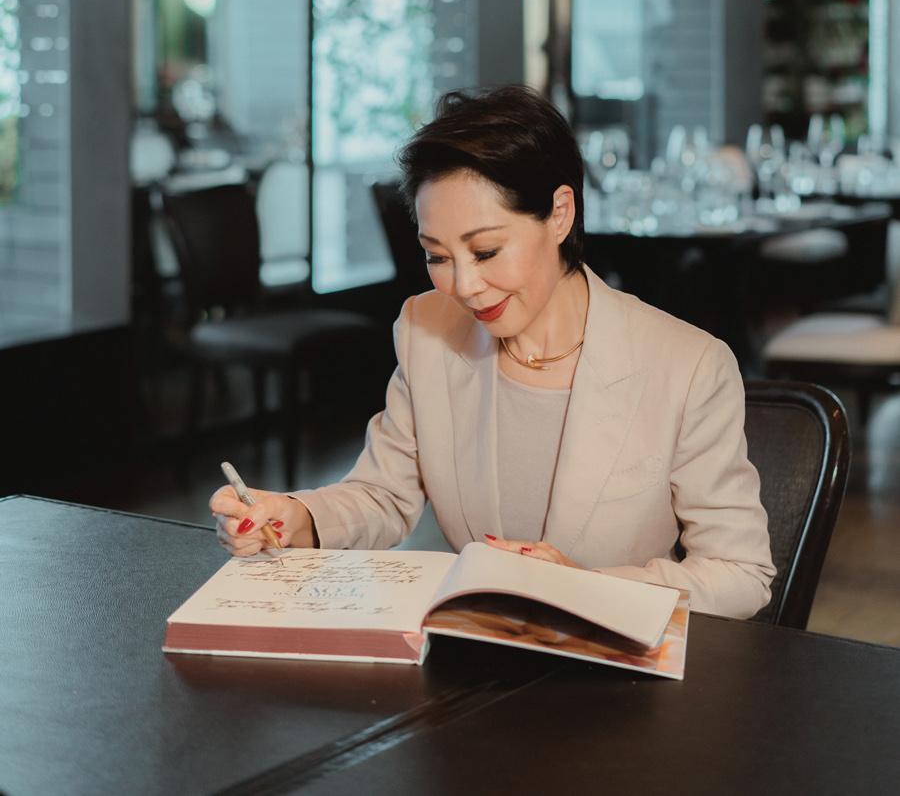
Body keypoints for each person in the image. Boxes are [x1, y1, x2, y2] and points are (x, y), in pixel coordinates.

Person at [211, 86, 775, 619]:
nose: (464, 286)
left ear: (560, 214)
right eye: (437, 256)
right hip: (477, 665)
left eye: (485, 251)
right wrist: (298, 517)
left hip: (613, 682)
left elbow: (739, 573)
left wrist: (585, 587)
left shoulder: (687, 365)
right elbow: (383, 495)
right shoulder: (427, 328)